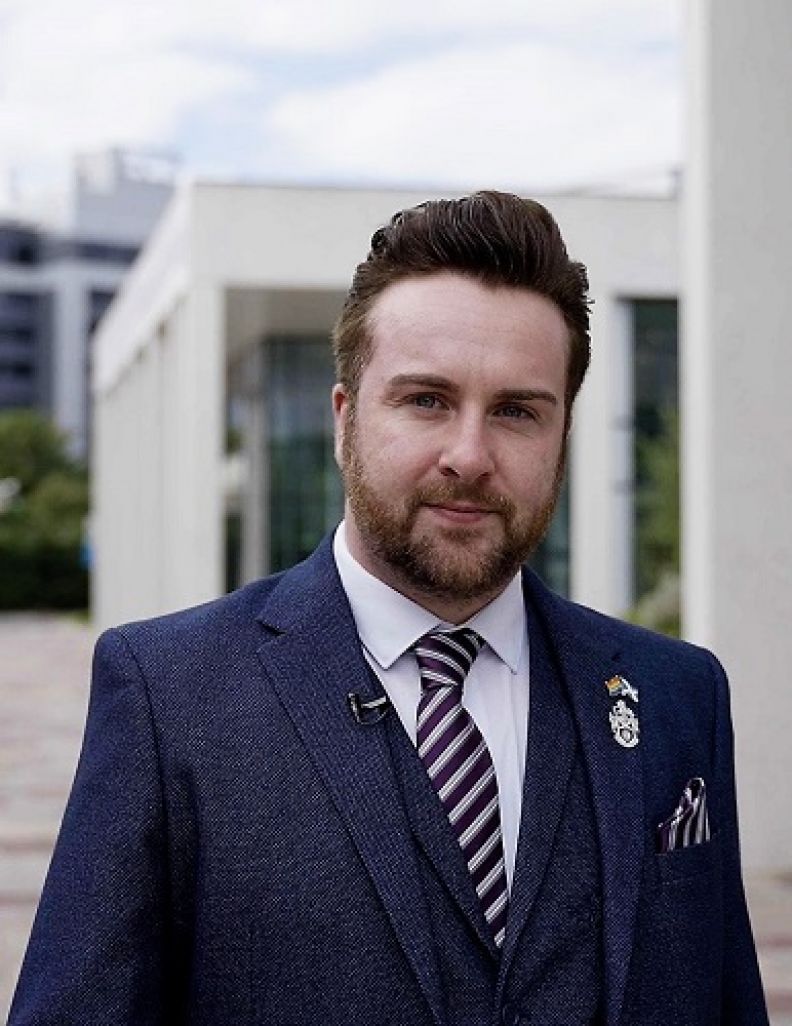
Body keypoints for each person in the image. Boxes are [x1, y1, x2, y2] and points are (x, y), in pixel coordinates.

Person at [9, 192, 768, 1026]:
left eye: (517, 411)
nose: (470, 456)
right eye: (426, 400)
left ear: (562, 435)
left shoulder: (678, 696)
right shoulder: (169, 697)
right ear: (345, 422)